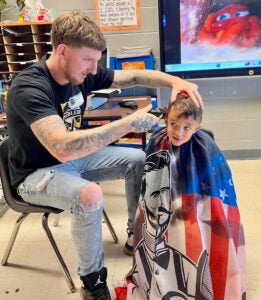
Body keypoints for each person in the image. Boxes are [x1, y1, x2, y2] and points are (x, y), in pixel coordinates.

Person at [6, 10, 203, 300]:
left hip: (69, 161)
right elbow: (62, 148)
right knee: (90, 195)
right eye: (88, 60)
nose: (94, 68)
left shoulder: (81, 72)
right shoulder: (29, 87)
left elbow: (134, 74)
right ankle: (93, 283)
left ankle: (135, 236)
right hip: (34, 174)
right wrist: (129, 123)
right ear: (62, 51)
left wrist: (175, 82)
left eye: (97, 60)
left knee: (137, 159)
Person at [113, 93, 246, 300]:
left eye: (187, 127)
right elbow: (150, 183)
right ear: (166, 119)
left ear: (197, 128)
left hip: (193, 206)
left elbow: (215, 184)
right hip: (161, 205)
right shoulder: (158, 141)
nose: (178, 132)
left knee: (192, 234)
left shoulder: (205, 148)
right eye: (173, 124)